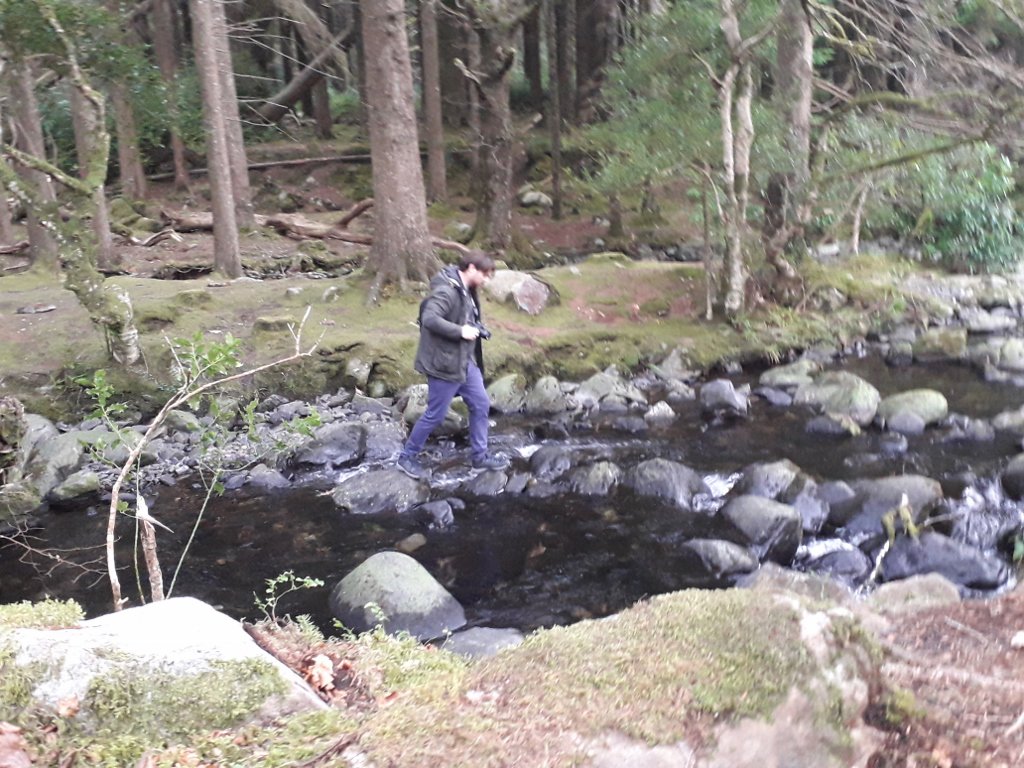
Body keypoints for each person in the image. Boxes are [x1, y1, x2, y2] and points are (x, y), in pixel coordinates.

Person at [397, 251, 510, 479]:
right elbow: (430, 319)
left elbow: (467, 317)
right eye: (485, 275)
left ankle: (480, 457)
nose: (487, 280)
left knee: (480, 404)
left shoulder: (466, 290)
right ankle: (407, 457)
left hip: (463, 362)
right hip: (443, 364)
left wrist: (476, 328)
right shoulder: (446, 290)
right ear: (470, 268)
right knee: (435, 415)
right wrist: (461, 331)